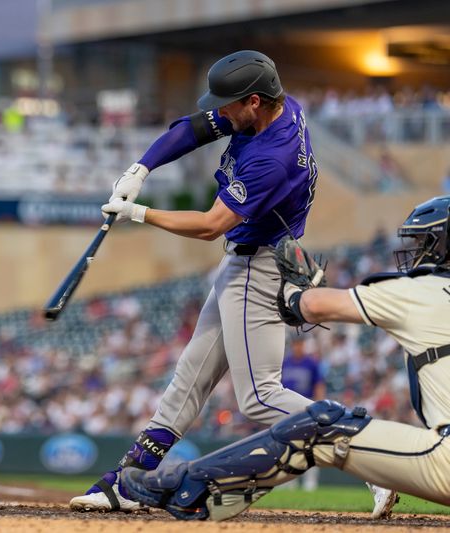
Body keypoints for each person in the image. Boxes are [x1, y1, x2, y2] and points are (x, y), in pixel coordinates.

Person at [69, 49, 395, 517]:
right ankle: (125, 481)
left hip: (256, 267)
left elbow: (210, 225)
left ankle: (377, 460)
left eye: (229, 104)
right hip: (247, 261)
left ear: (255, 102)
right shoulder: (271, 109)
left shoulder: (271, 156)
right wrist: (141, 169)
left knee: (260, 396)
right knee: (189, 380)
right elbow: (193, 128)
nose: (220, 111)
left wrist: (138, 213)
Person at [119, 195, 450, 521]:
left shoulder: (417, 291)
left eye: (426, 242)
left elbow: (314, 307)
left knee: (314, 421)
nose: (418, 252)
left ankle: (193, 488)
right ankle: (137, 479)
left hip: (443, 461)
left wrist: (294, 290)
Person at [280, 336, 325, 491]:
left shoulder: (311, 363)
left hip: (306, 406)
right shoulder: (285, 363)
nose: (298, 347)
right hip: (288, 409)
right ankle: (287, 481)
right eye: (296, 344)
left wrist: (318, 406)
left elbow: (319, 385)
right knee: (289, 445)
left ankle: (310, 483)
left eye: (300, 344)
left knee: (310, 445)